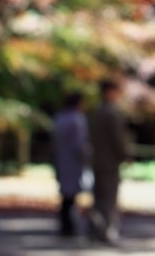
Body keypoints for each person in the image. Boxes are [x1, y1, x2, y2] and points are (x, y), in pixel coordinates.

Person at [88, 79, 129, 244]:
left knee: (98, 196)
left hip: (97, 159)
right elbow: (117, 139)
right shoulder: (110, 113)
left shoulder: (96, 112)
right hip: (110, 162)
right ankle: (107, 231)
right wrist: (125, 155)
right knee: (109, 197)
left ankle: (95, 229)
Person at [52, 92, 90, 237]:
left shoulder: (60, 118)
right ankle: (69, 227)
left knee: (66, 195)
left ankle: (65, 225)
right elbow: (79, 145)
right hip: (73, 162)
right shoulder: (77, 120)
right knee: (70, 196)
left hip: (61, 160)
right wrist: (87, 158)